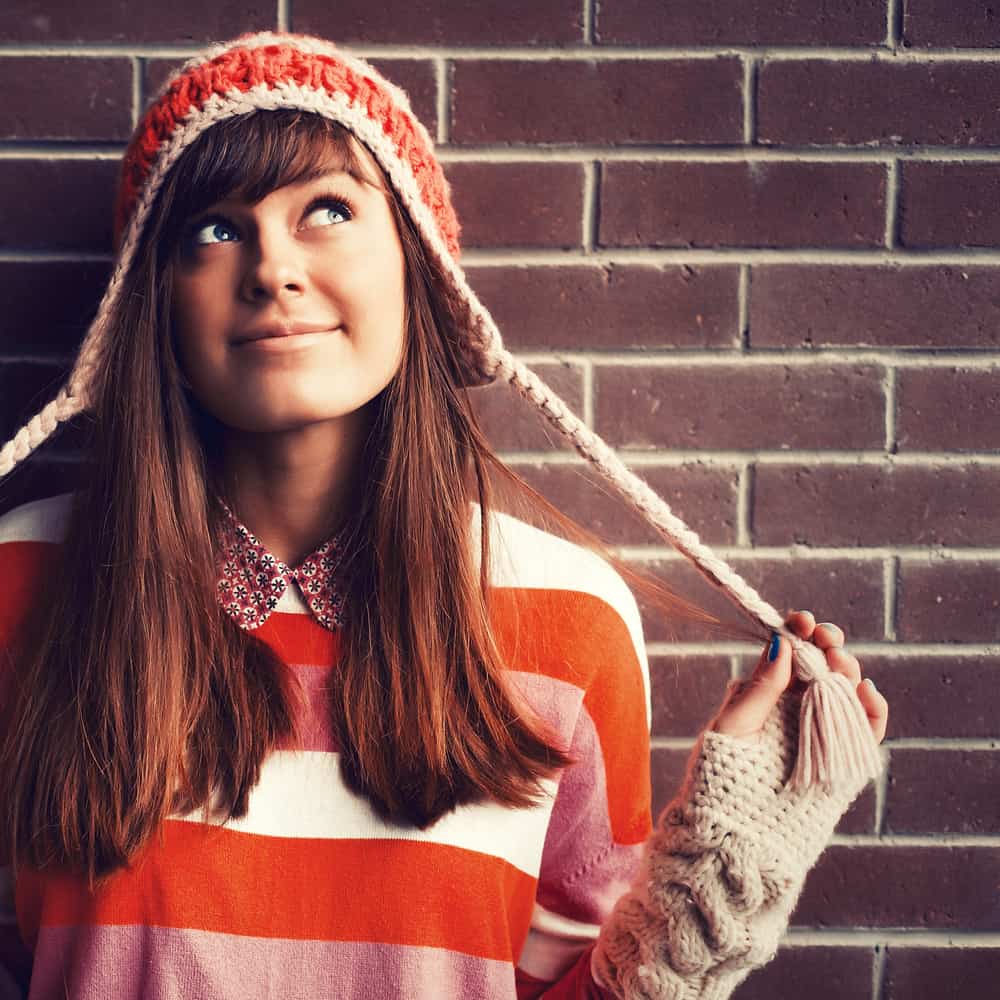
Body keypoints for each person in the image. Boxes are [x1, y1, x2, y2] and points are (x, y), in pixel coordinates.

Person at [0, 31, 888, 1000]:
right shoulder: (17, 577)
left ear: (420, 268)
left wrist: (715, 885)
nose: (271, 268)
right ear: (150, 298)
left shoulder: (571, 613)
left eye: (327, 209)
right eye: (212, 228)